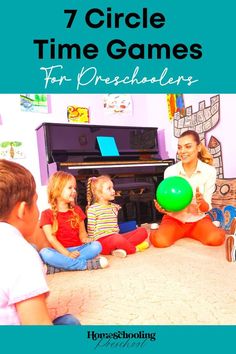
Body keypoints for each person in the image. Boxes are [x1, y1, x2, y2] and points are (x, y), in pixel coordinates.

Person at [0, 159, 80, 325]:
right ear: (22, 211)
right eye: (35, 202)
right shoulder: (22, 254)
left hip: (75, 249)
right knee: (70, 323)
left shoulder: (76, 211)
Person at [150, 130, 225, 248]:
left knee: (216, 239)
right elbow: (169, 206)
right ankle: (156, 230)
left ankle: (213, 227)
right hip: (175, 219)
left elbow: (207, 207)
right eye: (179, 147)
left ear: (199, 147)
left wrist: (202, 202)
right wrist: (163, 209)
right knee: (160, 241)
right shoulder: (170, 171)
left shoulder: (209, 171)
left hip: (197, 220)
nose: (182, 151)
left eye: (188, 146)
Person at [39, 171, 108, 271]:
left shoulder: (77, 210)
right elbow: (51, 239)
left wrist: (86, 240)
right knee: (44, 253)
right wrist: (67, 254)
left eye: (74, 188)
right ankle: (84, 265)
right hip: (59, 251)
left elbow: (83, 235)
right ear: (56, 190)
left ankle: (60, 267)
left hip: (78, 250)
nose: (74, 191)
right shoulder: (46, 214)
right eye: (70, 188)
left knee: (96, 246)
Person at [86, 175, 149, 257]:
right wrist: (92, 246)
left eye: (113, 188)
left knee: (142, 231)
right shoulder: (92, 209)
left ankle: (119, 249)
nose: (113, 191)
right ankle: (134, 249)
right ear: (99, 193)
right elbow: (90, 230)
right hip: (102, 242)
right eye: (109, 188)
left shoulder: (114, 206)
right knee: (117, 238)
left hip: (116, 237)